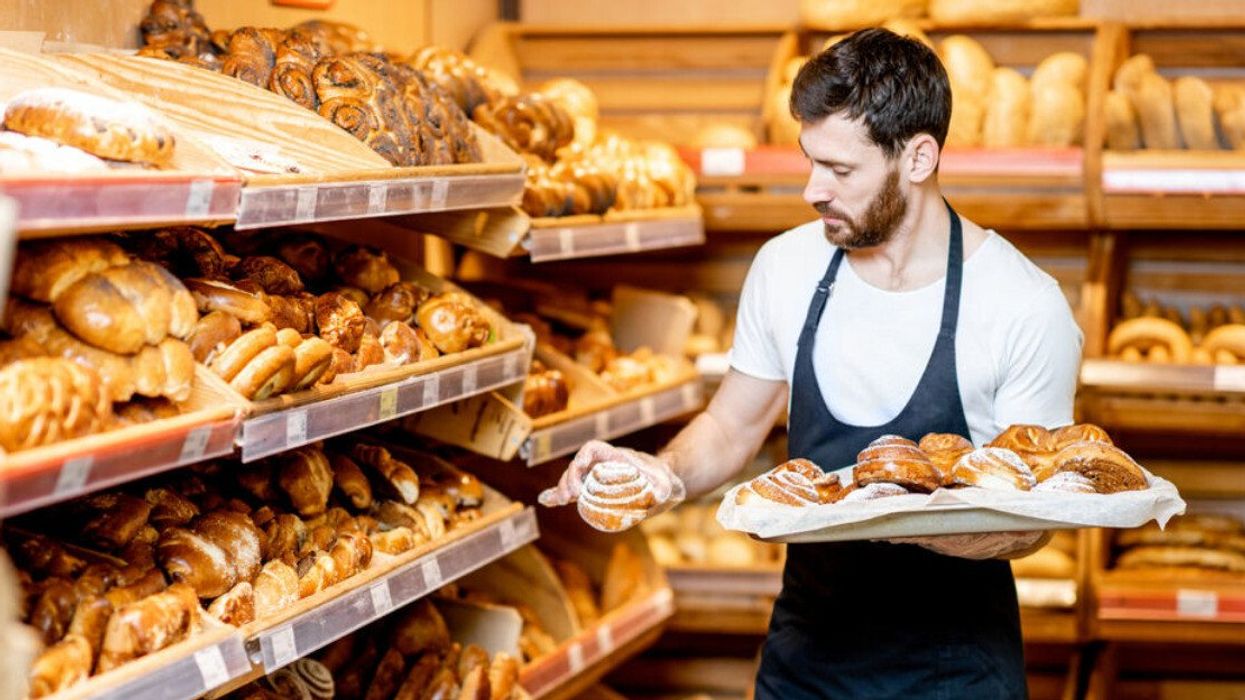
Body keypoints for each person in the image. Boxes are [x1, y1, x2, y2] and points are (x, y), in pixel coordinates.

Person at [539, 27, 1082, 699]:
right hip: (805, 663)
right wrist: (663, 472)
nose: (811, 190)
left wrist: (885, 515)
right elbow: (733, 427)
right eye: (809, 161)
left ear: (917, 158)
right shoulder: (786, 268)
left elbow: (1033, 523)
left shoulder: (1020, 304)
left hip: (953, 671)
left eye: (840, 170)